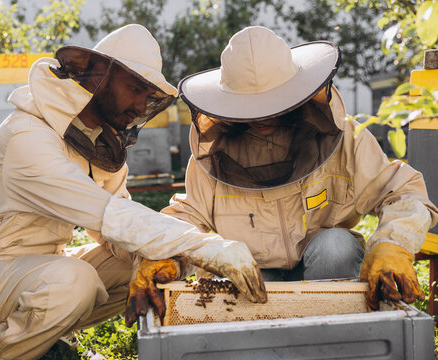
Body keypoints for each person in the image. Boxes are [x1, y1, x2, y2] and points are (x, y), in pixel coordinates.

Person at [0, 24, 266, 360]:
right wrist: (207, 246)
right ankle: (8, 354)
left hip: (46, 265)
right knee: (76, 281)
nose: (139, 105)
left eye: (147, 96)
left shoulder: (97, 141)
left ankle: (55, 336)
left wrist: (152, 260)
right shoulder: (28, 136)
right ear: (99, 75)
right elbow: (107, 214)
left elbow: (117, 230)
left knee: (151, 259)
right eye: (134, 88)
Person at [161, 26, 438, 310]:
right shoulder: (214, 153)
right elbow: (188, 216)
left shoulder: (346, 138)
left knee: (337, 247)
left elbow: (404, 191)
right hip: (252, 275)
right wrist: (166, 255)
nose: (262, 114)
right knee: (243, 282)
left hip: (325, 270)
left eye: (272, 101)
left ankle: (335, 335)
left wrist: (392, 244)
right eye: (249, 105)